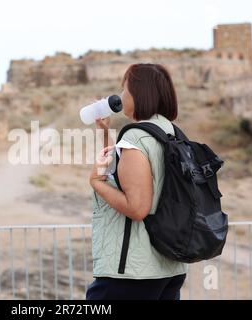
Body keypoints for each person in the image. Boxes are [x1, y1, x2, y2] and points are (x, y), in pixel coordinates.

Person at [86, 63, 187, 300]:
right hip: (167, 267)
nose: (120, 96)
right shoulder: (171, 133)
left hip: (131, 273)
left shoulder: (135, 137)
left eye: (125, 89)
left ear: (140, 94)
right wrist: (104, 134)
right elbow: (126, 175)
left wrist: (95, 182)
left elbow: (137, 207)